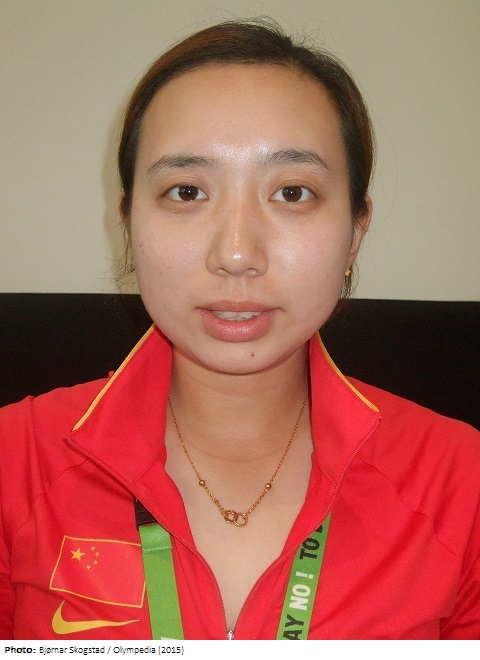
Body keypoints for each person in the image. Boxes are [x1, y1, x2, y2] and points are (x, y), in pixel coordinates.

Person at [0, 19, 479, 641]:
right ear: (128, 221)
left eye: (293, 193)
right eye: (187, 191)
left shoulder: (460, 482)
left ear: (356, 231)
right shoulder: (15, 462)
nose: (235, 254)